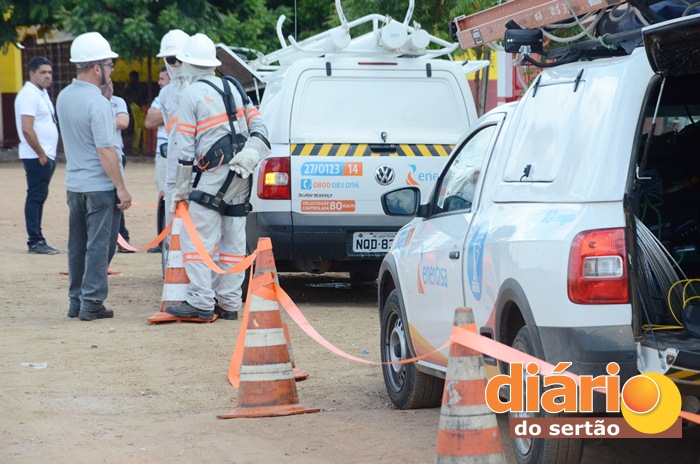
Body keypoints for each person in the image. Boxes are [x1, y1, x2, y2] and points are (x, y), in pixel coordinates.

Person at [166, 33, 270, 321]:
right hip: (241, 172)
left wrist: (182, 189)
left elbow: (185, 149)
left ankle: (200, 301)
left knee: (196, 239)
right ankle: (230, 303)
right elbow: (260, 126)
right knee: (233, 241)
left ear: (186, 65)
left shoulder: (189, 94)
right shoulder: (234, 86)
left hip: (211, 176)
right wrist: (251, 152)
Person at [56, 32, 132, 321]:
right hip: (100, 186)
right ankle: (92, 302)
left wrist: (105, 100)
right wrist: (121, 189)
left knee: (77, 245)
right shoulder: (98, 104)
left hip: (75, 184)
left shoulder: (64, 96)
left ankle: (76, 301)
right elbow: (106, 151)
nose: (112, 70)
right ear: (97, 68)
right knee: (101, 246)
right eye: (109, 65)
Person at [14, 56, 60, 255]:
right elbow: (27, 129)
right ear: (32, 73)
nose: (48, 76)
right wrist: (41, 154)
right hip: (37, 156)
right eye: (43, 72)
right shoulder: (29, 95)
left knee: (39, 196)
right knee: (35, 196)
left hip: (45, 154)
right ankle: (35, 241)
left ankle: (37, 239)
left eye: (49, 72)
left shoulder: (42, 93)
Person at [144, 65, 170, 253]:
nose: (159, 83)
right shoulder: (160, 98)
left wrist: (163, 114)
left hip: (180, 155)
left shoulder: (182, 95)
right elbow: (149, 122)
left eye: (163, 79)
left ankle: (170, 239)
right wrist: (172, 113)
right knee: (163, 196)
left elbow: (156, 118)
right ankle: (163, 239)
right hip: (163, 155)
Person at [110, 93, 132, 253]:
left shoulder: (117, 101)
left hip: (116, 155)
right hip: (95, 156)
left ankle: (122, 237)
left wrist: (98, 120)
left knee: (118, 196)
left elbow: (123, 122)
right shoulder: (88, 99)